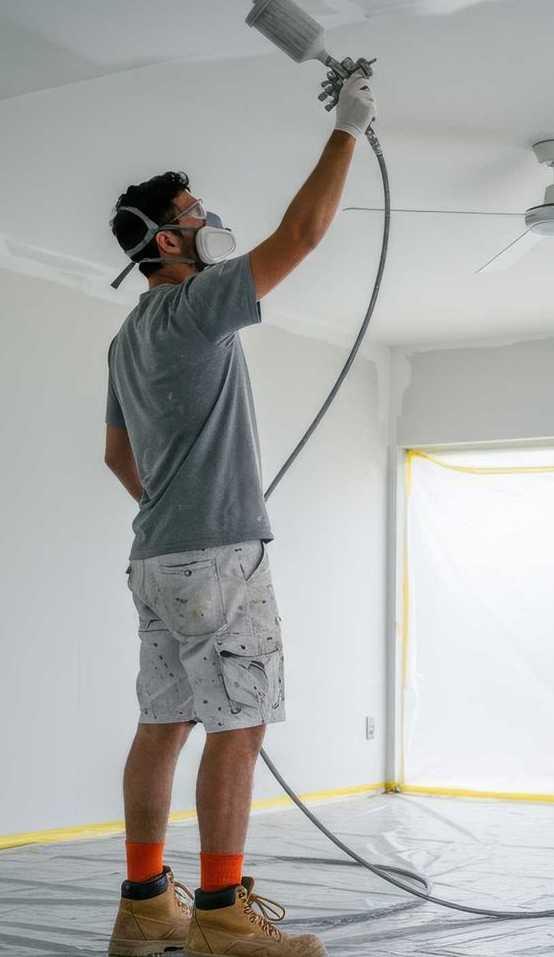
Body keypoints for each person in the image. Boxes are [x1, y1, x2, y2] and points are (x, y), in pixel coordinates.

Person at [100, 72, 376, 957]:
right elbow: (302, 233)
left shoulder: (128, 334)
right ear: (164, 239)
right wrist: (347, 128)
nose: (206, 217)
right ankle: (221, 916)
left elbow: (117, 455)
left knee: (165, 723)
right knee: (239, 723)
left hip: (157, 560)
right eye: (193, 210)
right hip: (218, 556)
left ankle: (146, 904)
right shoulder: (192, 307)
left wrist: (178, 510)